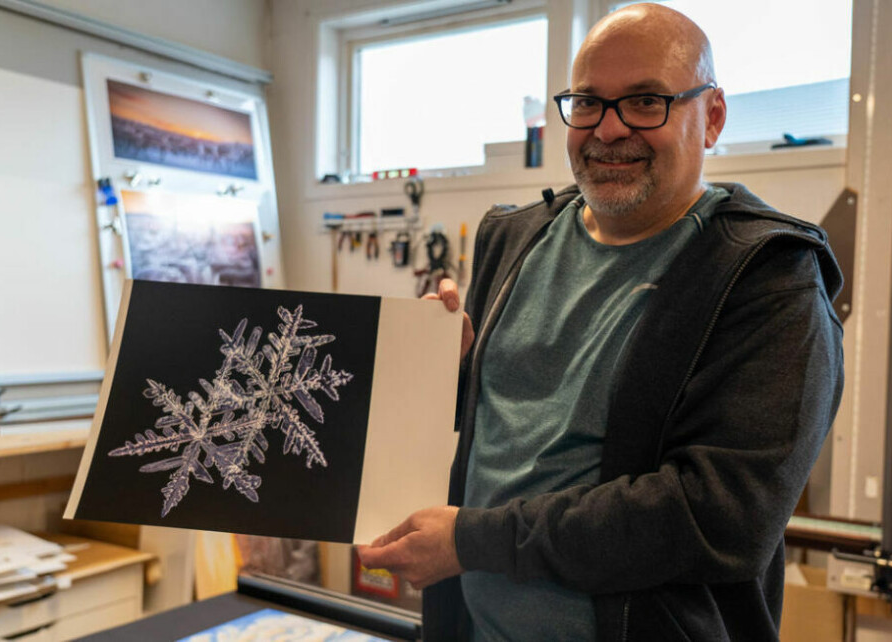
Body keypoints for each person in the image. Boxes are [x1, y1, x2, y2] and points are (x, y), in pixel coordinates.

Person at [358, 3, 844, 640]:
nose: (609, 130)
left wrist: (474, 541)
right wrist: (445, 372)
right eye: (587, 103)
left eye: (645, 101)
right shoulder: (514, 238)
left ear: (713, 117)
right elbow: (508, 432)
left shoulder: (768, 276)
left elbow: (719, 517)